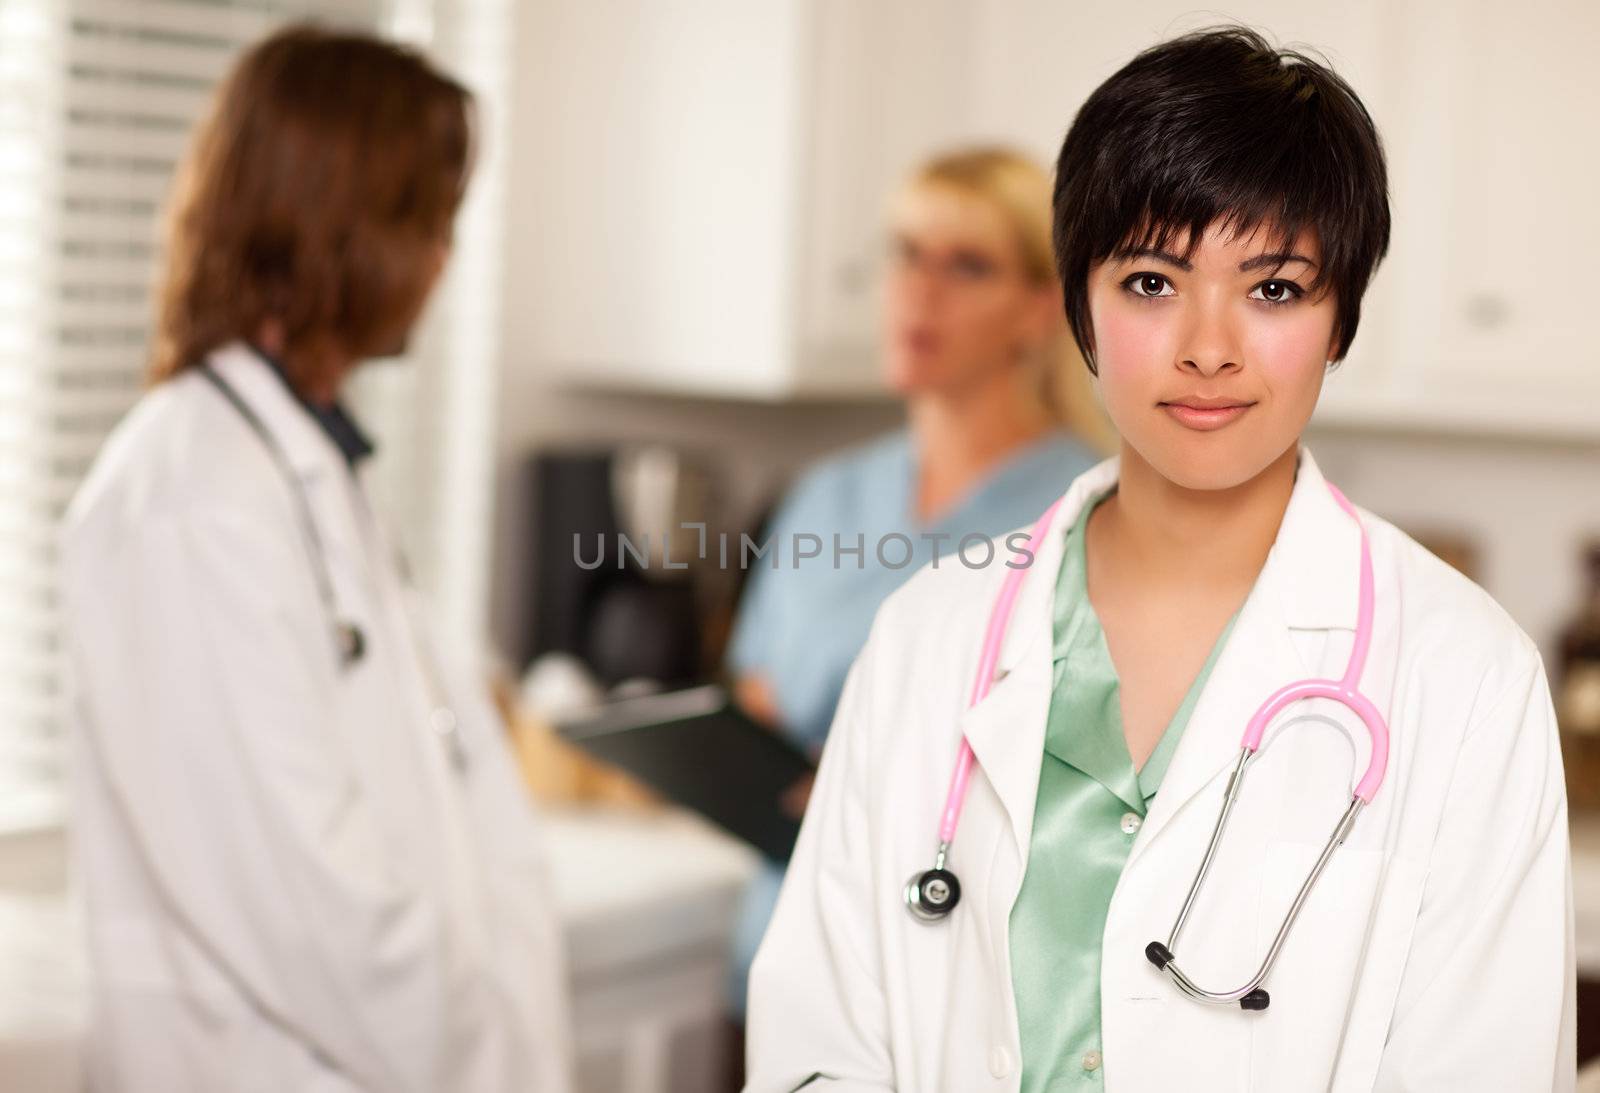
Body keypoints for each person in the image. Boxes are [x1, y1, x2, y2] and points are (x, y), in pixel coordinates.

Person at [745, 26, 1575, 1092]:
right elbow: (818, 1044)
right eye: (1150, 280)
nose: (1208, 346)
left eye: (1273, 288)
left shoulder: (1465, 677)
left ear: (1340, 319)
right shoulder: (930, 632)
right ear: (1078, 306)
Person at [60, 26, 571, 1092]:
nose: (443, 259)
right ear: (343, 225)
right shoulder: (190, 497)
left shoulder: (305, 464)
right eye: (428, 219)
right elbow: (308, 898)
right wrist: (483, 1044)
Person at [723, 147, 1106, 1019]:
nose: (917, 292)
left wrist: (878, 787)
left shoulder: (1084, 513)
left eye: (966, 266)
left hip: (951, 1001)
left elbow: (1087, 782)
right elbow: (758, 699)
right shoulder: (825, 494)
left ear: (1040, 309)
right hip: (779, 964)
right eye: (904, 254)